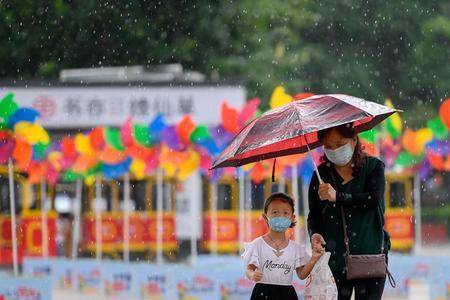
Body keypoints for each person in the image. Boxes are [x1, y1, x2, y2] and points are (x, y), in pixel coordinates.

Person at [307, 123, 391, 300]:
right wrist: (314, 234)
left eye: (339, 144)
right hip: (335, 260)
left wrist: (338, 197)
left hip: (370, 255)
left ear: (354, 140)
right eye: (328, 146)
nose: (334, 150)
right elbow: (314, 215)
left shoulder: (374, 167)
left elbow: (372, 200)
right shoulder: (320, 175)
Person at [243, 192, 325, 300]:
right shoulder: (258, 244)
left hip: (287, 294)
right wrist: (252, 275)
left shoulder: (296, 248)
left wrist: (313, 259)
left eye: (285, 213)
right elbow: (249, 269)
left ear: (292, 217)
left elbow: (301, 275)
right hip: (261, 293)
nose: (280, 216)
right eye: (275, 212)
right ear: (265, 216)